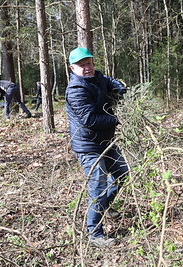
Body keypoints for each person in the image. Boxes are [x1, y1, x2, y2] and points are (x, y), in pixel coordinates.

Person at [65, 47, 128, 248]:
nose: (87, 68)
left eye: (89, 63)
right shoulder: (76, 90)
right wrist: (118, 119)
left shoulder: (97, 76)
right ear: (72, 68)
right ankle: (94, 232)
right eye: (82, 65)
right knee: (99, 186)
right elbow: (90, 119)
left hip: (106, 141)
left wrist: (119, 88)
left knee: (123, 173)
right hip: (88, 145)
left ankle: (105, 206)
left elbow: (109, 81)